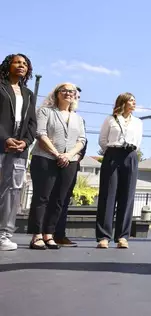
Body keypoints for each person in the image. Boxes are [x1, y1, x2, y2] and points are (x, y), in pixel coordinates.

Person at [28, 82, 86, 250]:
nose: (68, 93)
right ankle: (37, 235)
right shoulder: (46, 111)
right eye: (64, 90)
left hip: (70, 161)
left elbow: (81, 140)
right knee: (42, 197)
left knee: (59, 200)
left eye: (72, 91)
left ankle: (49, 234)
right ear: (57, 93)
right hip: (45, 158)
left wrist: (68, 155)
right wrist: (57, 153)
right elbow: (40, 134)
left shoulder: (78, 118)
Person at [95, 92, 143, 249]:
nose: (134, 103)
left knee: (127, 196)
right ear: (123, 102)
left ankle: (122, 236)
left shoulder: (138, 122)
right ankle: (104, 236)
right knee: (108, 195)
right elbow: (102, 140)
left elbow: (139, 141)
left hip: (130, 155)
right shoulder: (110, 119)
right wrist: (111, 152)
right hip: (113, 154)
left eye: (135, 101)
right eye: (131, 101)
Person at [0, 53, 37, 251]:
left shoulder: (28, 94)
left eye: (24, 64)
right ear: (8, 65)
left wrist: (25, 142)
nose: (21, 66)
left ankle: (4, 235)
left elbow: (32, 123)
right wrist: (5, 138)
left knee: (13, 192)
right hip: (2, 145)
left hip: (19, 150)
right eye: (17, 62)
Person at [54, 86, 86, 247]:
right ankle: (44, 233)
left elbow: (83, 143)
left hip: (71, 164)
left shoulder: (79, 120)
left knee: (64, 200)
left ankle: (59, 234)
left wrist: (73, 156)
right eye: (74, 95)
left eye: (77, 97)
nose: (75, 99)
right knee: (48, 198)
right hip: (52, 159)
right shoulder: (51, 114)